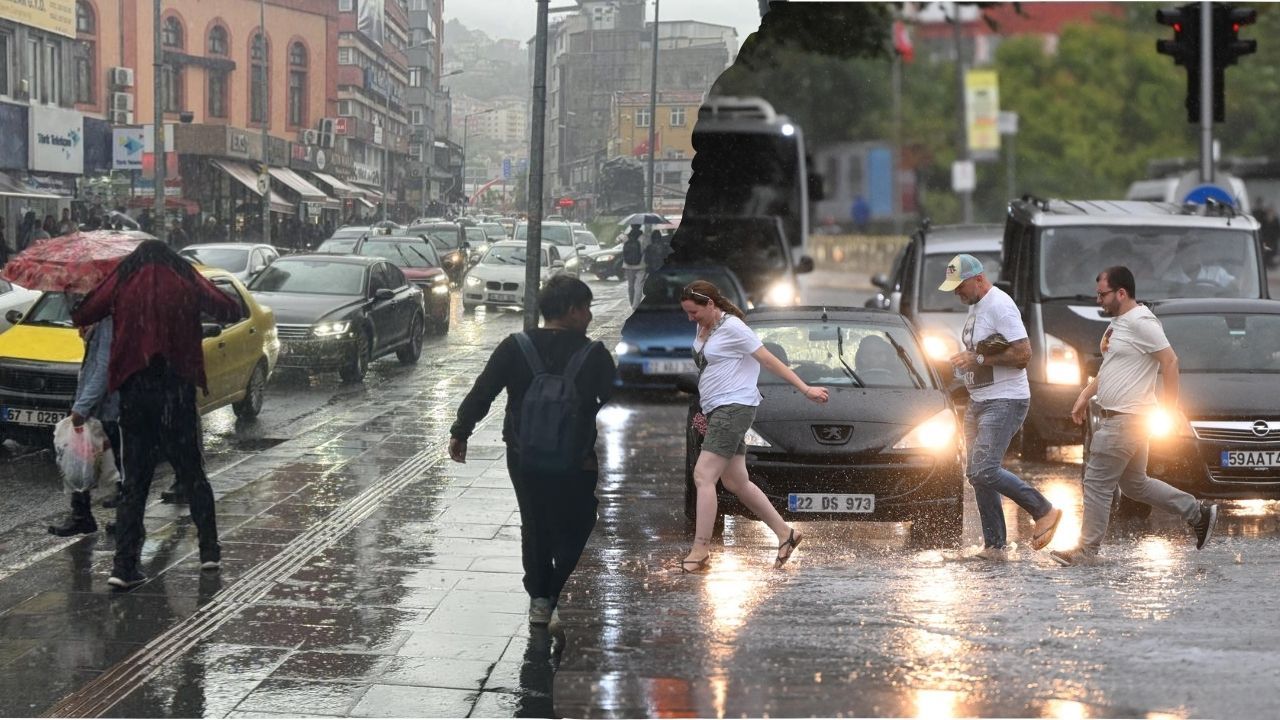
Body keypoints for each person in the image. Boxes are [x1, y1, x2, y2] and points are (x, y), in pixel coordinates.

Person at [72, 240, 244, 589]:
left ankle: (124, 566)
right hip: (175, 390)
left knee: (135, 482)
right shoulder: (183, 275)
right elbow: (229, 309)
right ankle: (209, 551)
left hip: (135, 393)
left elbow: (84, 312)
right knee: (192, 472)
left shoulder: (124, 277)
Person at [449, 275, 616, 627]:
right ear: (572, 311)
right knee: (579, 525)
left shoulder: (515, 346)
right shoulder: (594, 355)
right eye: (586, 308)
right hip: (579, 460)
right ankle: (560, 593)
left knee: (535, 523)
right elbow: (617, 406)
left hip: (524, 456)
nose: (588, 316)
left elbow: (484, 390)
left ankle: (540, 600)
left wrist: (461, 431)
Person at [1052, 266, 1219, 566]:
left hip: (1126, 418)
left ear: (1121, 293)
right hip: (1127, 418)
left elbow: (1170, 362)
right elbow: (1111, 368)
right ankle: (1198, 513)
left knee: (1097, 482)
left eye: (1102, 294)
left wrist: (1171, 407)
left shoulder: (1142, 322)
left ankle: (1086, 550)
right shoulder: (1120, 324)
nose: (1098, 300)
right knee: (1135, 484)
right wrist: (1084, 395)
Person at [679, 280, 829, 573]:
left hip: (733, 408)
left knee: (703, 475)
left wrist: (805, 388)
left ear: (711, 304)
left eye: (694, 312)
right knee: (735, 482)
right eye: (687, 313)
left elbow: (769, 361)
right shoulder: (705, 326)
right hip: (717, 409)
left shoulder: (734, 328)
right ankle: (786, 534)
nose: (690, 318)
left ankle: (700, 549)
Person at [941, 254, 1062, 558]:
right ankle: (995, 545)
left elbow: (1023, 355)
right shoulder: (978, 308)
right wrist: (962, 364)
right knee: (976, 473)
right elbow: (980, 354)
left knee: (985, 469)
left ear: (978, 279)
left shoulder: (1000, 305)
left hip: (1005, 400)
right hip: (980, 400)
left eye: (960, 286)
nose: (957, 292)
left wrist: (978, 359)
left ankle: (1044, 509)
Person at [47, 316, 122, 537]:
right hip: (99, 405)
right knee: (83, 458)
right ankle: (83, 516)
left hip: (106, 407)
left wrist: (82, 406)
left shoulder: (109, 320)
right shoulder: (101, 321)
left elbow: (104, 367)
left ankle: (126, 519)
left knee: (114, 464)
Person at [621, 223, 645, 308]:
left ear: (631, 227)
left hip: (628, 265)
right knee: (638, 286)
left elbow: (622, 248)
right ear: (640, 226)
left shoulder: (626, 237)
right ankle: (636, 305)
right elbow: (645, 250)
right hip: (641, 265)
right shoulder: (643, 238)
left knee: (630, 286)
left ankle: (632, 303)